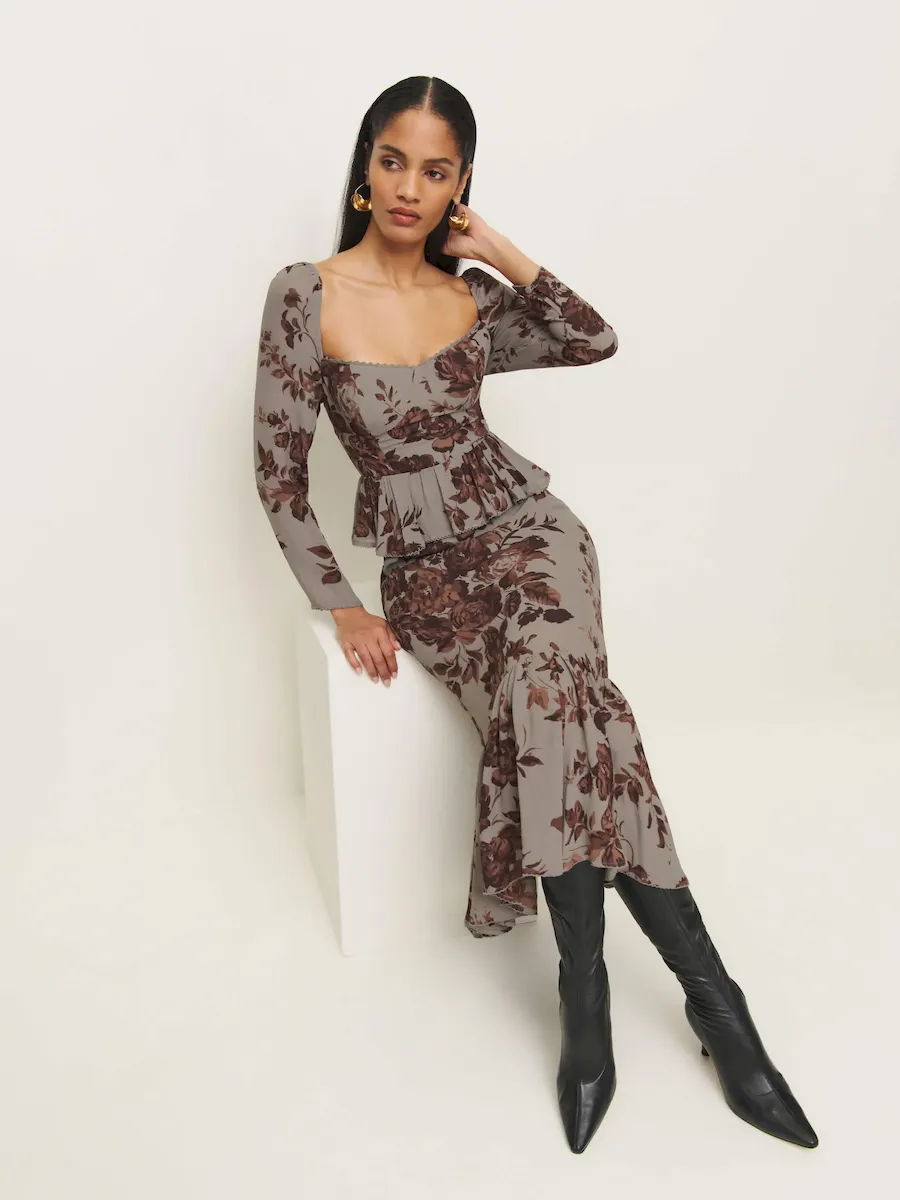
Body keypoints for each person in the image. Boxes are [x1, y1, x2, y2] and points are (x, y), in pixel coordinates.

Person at [252, 75, 818, 1156]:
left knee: (555, 686)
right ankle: (705, 1009)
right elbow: (278, 478)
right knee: (569, 705)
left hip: (535, 532)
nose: (409, 187)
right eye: (392, 161)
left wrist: (500, 249)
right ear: (364, 168)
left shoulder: (469, 296)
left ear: (460, 183)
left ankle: (611, 1006)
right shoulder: (303, 296)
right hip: (429, 573)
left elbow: (592, 338)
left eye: (435, 171)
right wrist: (341, 602)